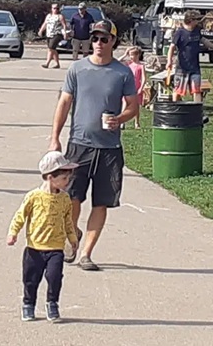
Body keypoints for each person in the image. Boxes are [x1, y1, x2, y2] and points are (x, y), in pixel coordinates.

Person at [48, 20, 139, 271]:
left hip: (109, 149)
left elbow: (133, 106)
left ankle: (86, 254)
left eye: (104, 39)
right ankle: (72, 236)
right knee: (73, 198)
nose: (98, 43)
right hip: (80, 145)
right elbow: (64, 103)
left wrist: (119, 119)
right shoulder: (77, 69)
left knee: (101, 202)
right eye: (95, 38)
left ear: (113, 42)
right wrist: (55, 137)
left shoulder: (122, 73)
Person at [6, 151, 80, 322]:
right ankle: (28, 304)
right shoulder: (34, 197)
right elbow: (20, 215)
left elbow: (68, 221)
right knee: (30, 279)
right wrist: (13, 233)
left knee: (55, 277)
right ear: (49, 177)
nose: (67, 182)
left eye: (68, 178)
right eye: (63, 179)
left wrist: (72, 238)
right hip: (35, 248)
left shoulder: (64, 199)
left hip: (56, 248)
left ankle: (52, 303)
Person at [166, 11, 213, 103]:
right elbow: (172, 47)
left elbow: (204, 40)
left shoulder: (197, 30)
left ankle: (197, 109)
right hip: (182, 67)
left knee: (196, 90)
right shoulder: (180, 33)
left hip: (195, 67)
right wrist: (169, 61)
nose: (198, 21)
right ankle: (175, 107)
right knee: (178, 90)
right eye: (197, 19)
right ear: (190, 20)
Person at [38, 3, 68, 69]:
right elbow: (45, 23)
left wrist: (65, 33)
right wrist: (41, 31)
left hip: (57, 34)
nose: (56, 10)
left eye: (57, 8)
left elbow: (64, 25)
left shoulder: (60, 16)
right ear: (51, 9)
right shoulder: (49, 16)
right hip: (49, 34)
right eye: (54, 8)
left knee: (51, 48)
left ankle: (47, 63)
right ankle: (57, 64)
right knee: (52, 49)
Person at [125, 47, 147, 128]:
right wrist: (125, 54)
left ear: (137, 55)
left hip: (136, 87)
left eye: (132, 55)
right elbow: (117, 61)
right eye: (129, 55)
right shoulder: (128, 64)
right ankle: (122, 122)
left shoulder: (141, 66)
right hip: (127, 86)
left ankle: (136, 122)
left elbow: (144, 78)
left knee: (136, 105)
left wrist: (141, 88)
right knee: (125, 103)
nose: (130, 57)